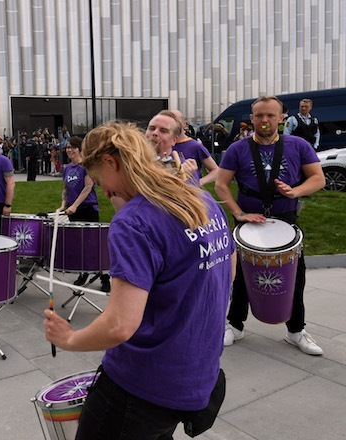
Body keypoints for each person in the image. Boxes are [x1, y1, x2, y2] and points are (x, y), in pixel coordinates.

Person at [44, 122, 236, 439]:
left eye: (98, 179)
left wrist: (69, 340)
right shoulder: (203, 202)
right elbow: (226, 277)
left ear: (111, 161)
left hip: (140, 387)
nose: (104, 192)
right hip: (195, 378)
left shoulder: (134, 222)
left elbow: (119, 325)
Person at [215, 95, 326, 356]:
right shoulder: (237, 149)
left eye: (270, 116)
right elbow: (221, 185)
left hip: (286, 221)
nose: (264, 120)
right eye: (259, 116)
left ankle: (296, 331)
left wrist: (295, 191)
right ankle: (235, 325)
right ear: (251, 118)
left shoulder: (298, 145)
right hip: (248, 220)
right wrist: (239, 213)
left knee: (296, 275)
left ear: (281, 118)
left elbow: (318, 179)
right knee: (241, 276)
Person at [56, 136, 111, 292]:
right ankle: (83, 273)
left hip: (87, 209)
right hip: (73, 210)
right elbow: (65, 189)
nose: (69, 150)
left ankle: (105, 278)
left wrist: (74, 206)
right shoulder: (67, 168)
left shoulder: (86, 166)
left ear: (79, 149)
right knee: (79, 246)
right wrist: (63, 205)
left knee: (94, 246)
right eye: (67, 147)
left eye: (73, 147)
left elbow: (87, 188)